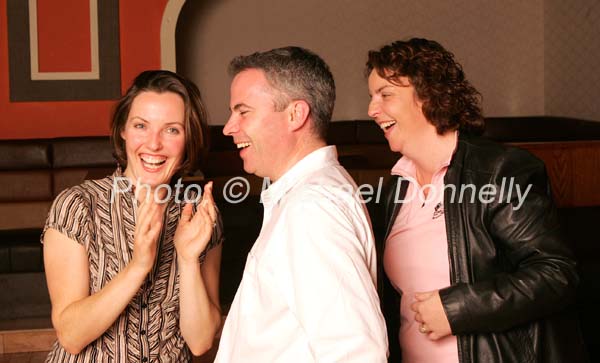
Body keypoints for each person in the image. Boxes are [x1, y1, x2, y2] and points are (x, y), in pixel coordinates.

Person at [366, 38, 588, 363]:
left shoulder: (498, 170)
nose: (372, 109)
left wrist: (459, 308)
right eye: (371, 96)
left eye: (385, 95)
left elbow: (557, 273)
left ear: (427, 97)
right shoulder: (396, 187)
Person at [214, 46, 388, 362]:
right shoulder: (307, 195)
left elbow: (356, 352)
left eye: (243, 111)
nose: (229, 128)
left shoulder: (312, 207)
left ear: (296, 114)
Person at [42, 70, 223, 362]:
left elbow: (200, 341)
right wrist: (138, 266)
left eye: (172, 130)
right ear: (123, 130)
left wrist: (188, 261)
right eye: (141, 126)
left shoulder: (200, 217)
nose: (153, 144)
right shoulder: (77, 206)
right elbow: (71, 336)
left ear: (189, 138)